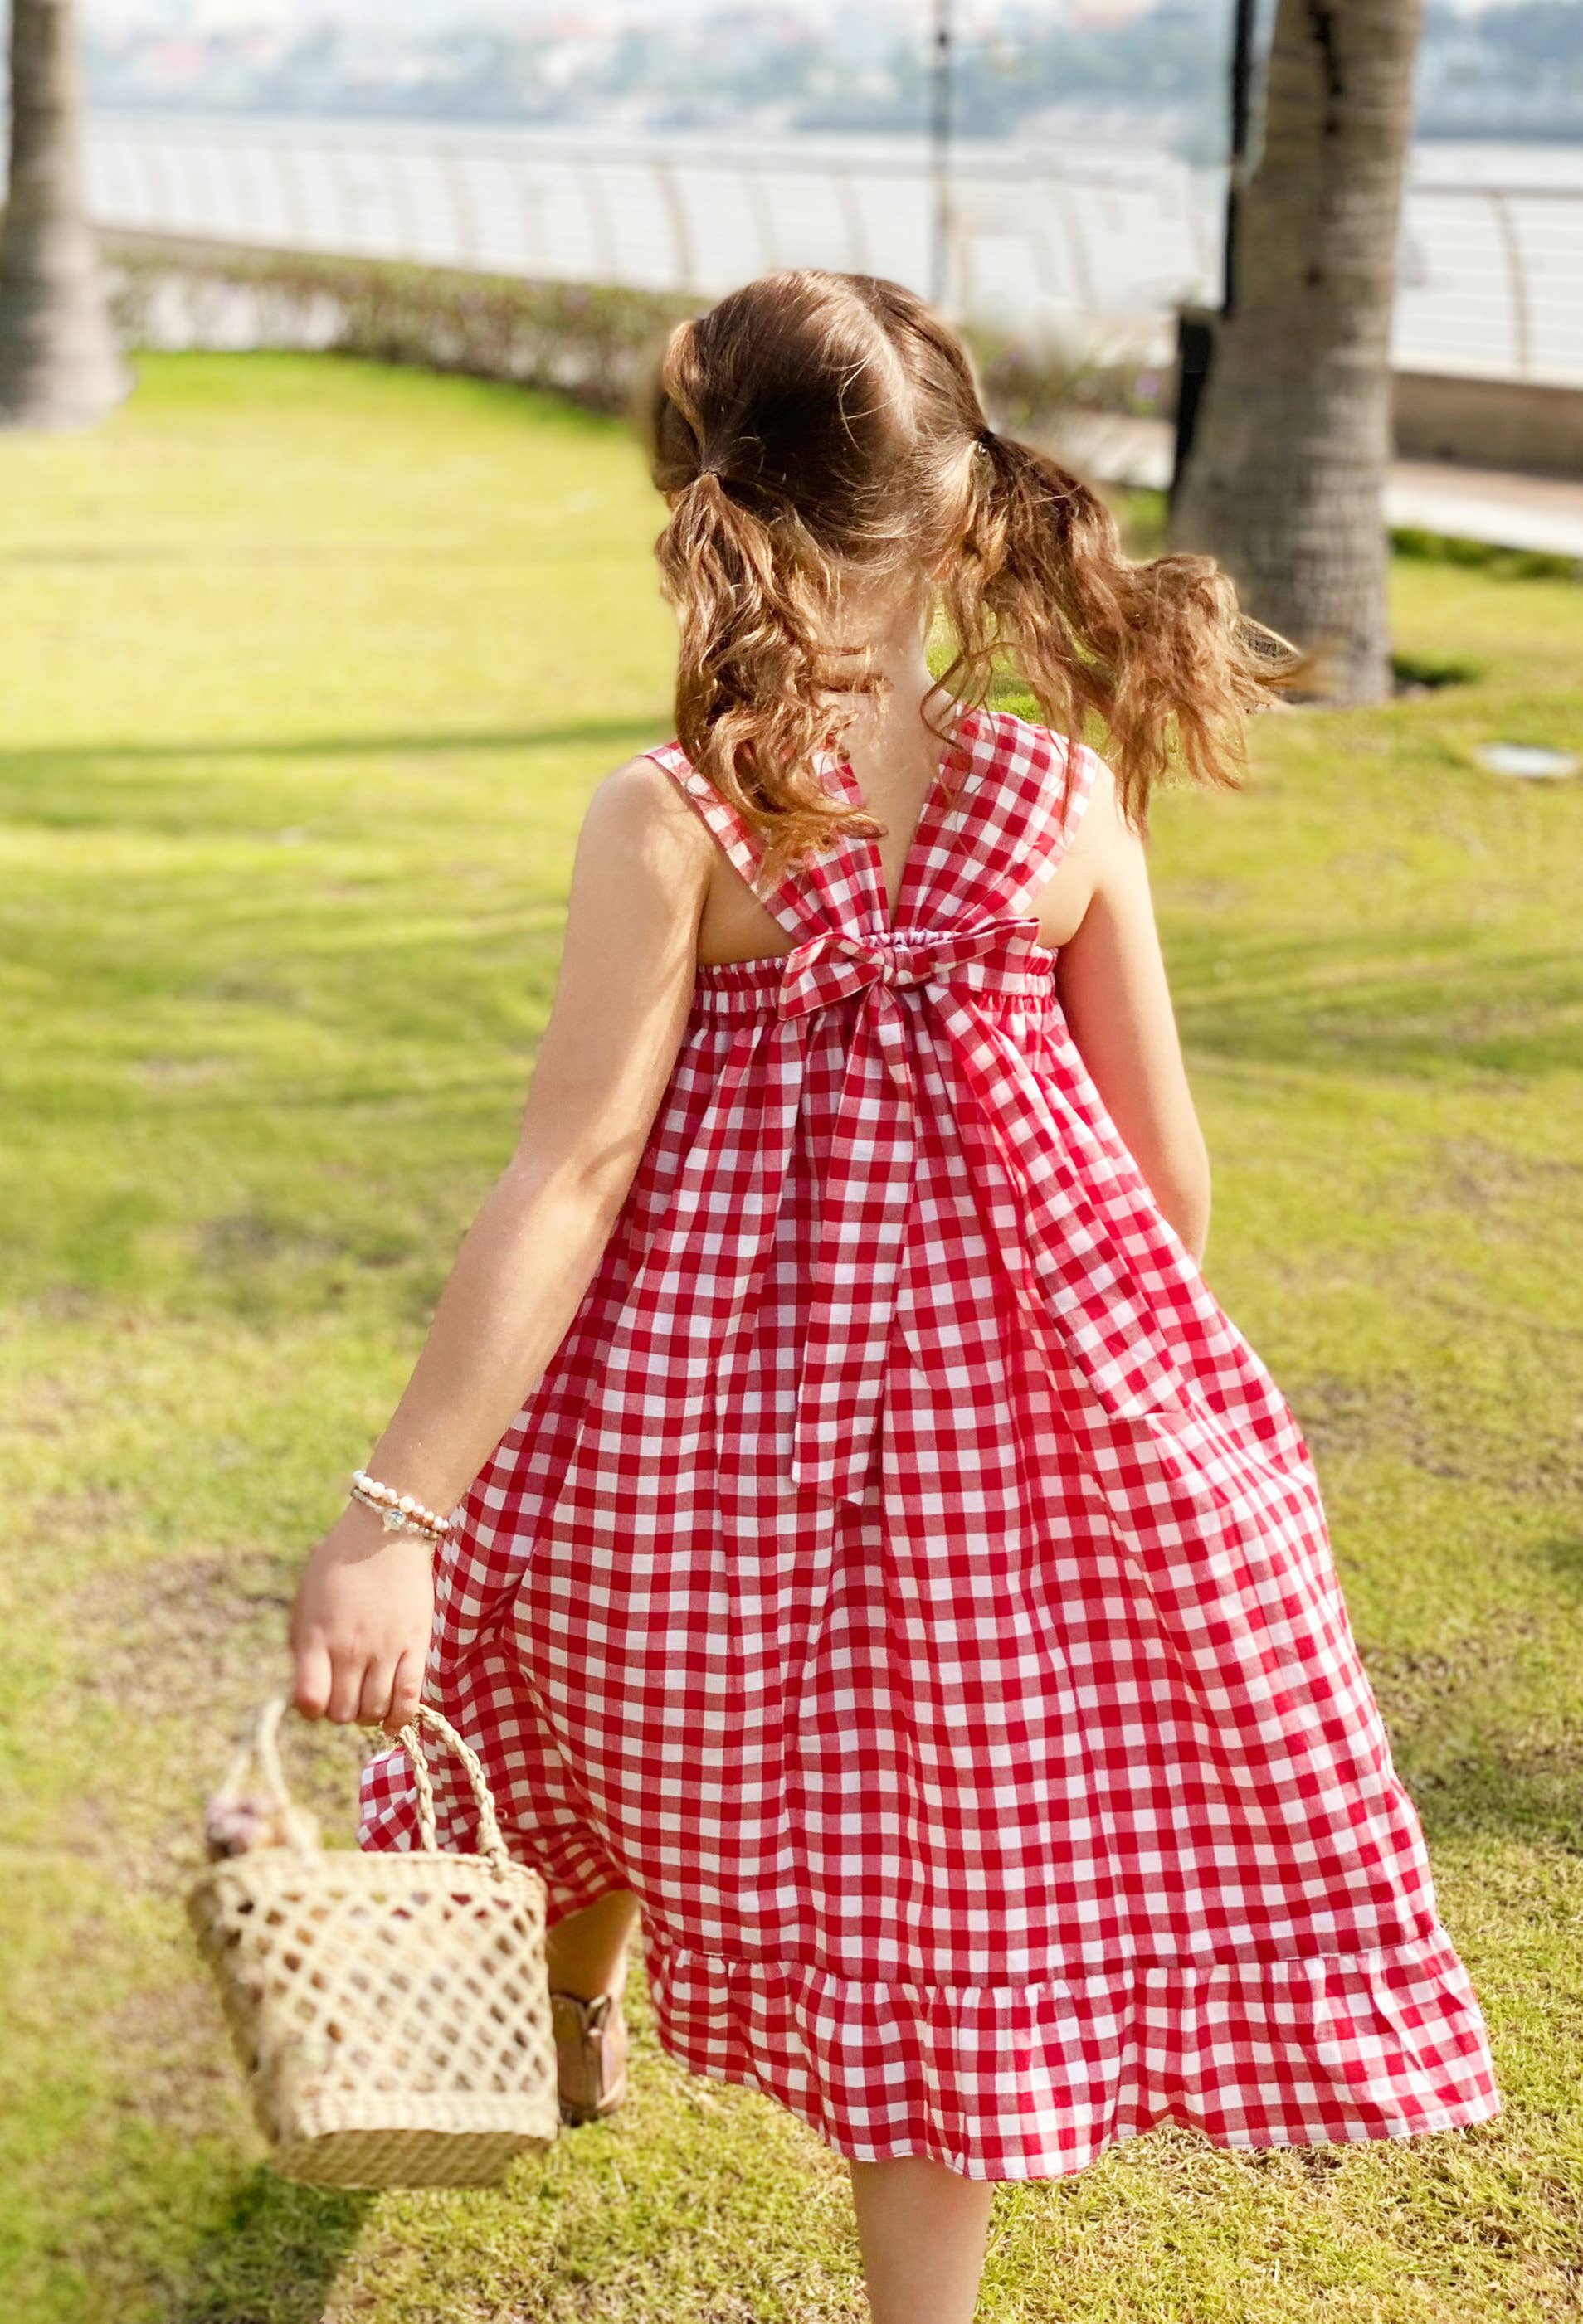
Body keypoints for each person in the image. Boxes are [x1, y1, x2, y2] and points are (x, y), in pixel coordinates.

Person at [288, 270, 1500, 2324]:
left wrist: (395, 1517)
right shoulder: (1059, 800)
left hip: (688, 1439)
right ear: (964, 514)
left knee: (572, 1671)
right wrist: (1100, 1413)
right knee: (951, 1872)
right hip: (997, 1472)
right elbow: (1163, 1172)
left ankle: (571, 2011)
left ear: (699, 510)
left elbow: (571, 1174)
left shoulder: (674, 820)